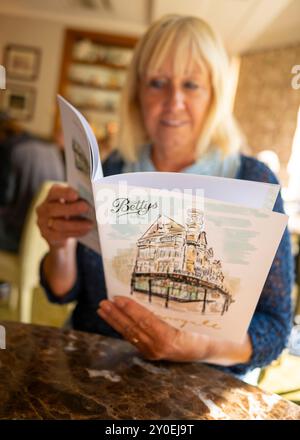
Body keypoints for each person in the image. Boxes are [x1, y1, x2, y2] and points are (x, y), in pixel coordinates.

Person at [37, 15, 294, 377]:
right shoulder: (112, 167)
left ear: (214, 95)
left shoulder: (253, 180)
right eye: (158, 83)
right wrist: (59, 246)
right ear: (137, 93)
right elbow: (63, 291)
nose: (174, 101)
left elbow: (276, 329)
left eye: (191, 85)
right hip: (97, 363)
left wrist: (198, 346)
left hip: (199, 380)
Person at [0, 113, 65, 252]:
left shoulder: (9, 148)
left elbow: (4, 197)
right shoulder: (51, 148)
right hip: (44, 236)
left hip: (17, 236)